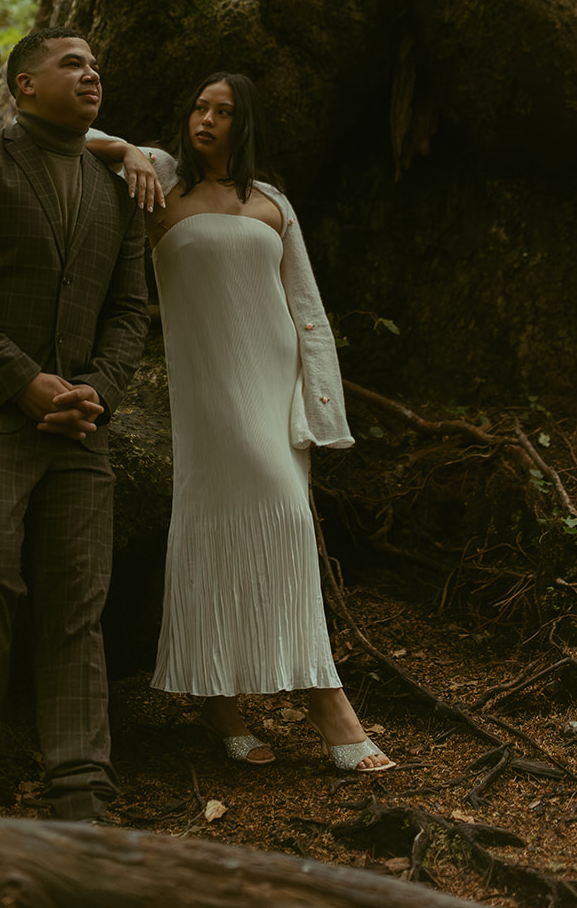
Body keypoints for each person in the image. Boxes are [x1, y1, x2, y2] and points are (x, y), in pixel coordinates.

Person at [86, 73, 394, 773]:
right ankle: (324, 701)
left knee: (282, 521)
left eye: (222, 112)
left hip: (272, 384)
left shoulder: (272, 203)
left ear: (243, 124)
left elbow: (306, 309)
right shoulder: (160, 181)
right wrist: (126, 151)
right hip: (210, 387)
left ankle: (220, 704)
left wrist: (318, 410)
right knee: (246, 520)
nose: (206, 118)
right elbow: (63, 132)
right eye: (197, 106)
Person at [0, 28, 150, 819]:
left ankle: (79, 784)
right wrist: (21, 383)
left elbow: (129, 309)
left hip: (80, 425)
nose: (91, 75)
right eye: (71, 64)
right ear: (23, 86)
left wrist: (96, 392)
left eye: (96, 67)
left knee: (78, 598)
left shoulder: (116, 188)